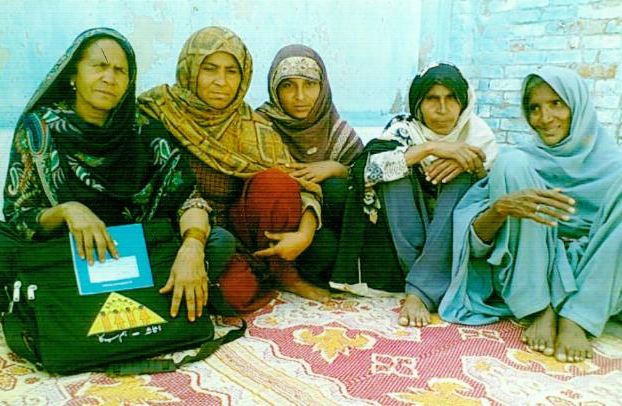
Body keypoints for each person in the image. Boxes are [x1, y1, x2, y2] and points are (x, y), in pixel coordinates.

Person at [0, 27, 236, 322]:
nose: (109, 78)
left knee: (218, 241)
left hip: (133, 256)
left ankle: (75, 303)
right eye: (99, 66)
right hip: (66, 254)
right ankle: (135, 300)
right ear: (73, 75)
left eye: (120, 71)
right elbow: (20, 214)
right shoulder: (40, 128)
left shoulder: (145, 130)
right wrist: (68, 210)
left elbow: (189, 200)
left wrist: (193, 247)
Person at [138, 27, 331, 314]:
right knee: (234, 295)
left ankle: (282, 273)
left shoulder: (253, 127)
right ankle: (245, 273)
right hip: (183, 229)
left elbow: (301, 184)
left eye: (231, 71)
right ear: (190, 69)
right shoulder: (158, 111)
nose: (221, 81)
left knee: (276, 183)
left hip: (240, 229)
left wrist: (303, 234)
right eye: (210, 69)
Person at [438, 66, 622, 363]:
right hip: (530, 271)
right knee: (510, 163)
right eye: (534, 108)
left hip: (595, 277)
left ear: (578, 106)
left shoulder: (613, 164)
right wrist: (501, 208)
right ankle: (539, 309)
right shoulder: (521, 161)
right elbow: (473, 245)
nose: (545, 118)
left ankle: (578, 317)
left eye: (556, 104)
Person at [331, 63, 498, 327]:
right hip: (404, 242)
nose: (442, 109)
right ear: (418, 104)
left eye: (451, 98)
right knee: (394, 169)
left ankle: (420, 291)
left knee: (460, 176)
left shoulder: (479, 136)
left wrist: (470, 165)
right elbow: (362, 174)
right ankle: (422, 278)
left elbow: (490, 199)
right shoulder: (402, 131)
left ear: (464, 102)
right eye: (432, 99)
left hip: (453, 242)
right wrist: (429, 148)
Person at [256, 44, 363, 234]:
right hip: (273, 226)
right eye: (288, 85)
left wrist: (336, 169)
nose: (300, 96)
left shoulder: (338, 133)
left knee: (336, 190)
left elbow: (365, 177)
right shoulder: (259, 127)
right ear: (274, 88)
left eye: (309, 84)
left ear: (323, 88)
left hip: (324, 230)